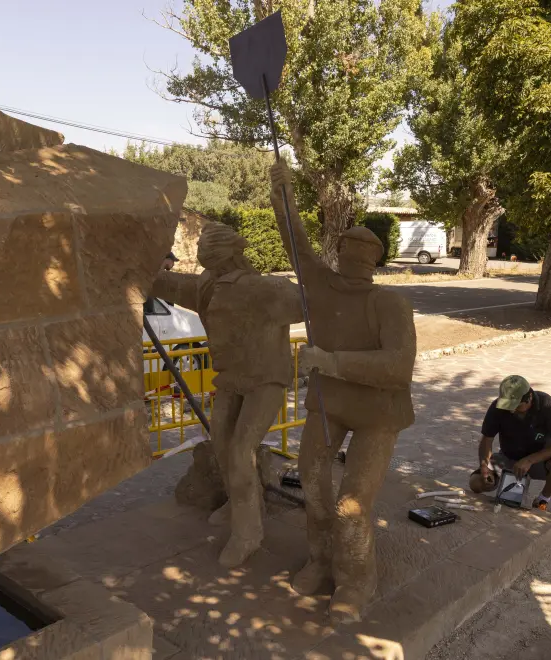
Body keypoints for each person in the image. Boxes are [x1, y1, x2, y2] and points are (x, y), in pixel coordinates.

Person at [269, 162, 417, 625]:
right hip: (329, 403)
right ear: (337, 253)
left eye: (362, 254)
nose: (354, 260)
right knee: (312, 482)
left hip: (378, 412)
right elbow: (295, 243)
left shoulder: (389, 303)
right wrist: (283, 195)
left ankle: (356, 579)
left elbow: (398, 367)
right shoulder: (321, 285)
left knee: (351, 505)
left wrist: (331, 362)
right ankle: (320, 558)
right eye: (347, 251)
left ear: (375, 261)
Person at [151, 223, 302, 567]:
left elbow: (312, 304)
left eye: (212, 254)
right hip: (230, 378)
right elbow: (173, 284)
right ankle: (242, 501)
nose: (206, 260)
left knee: (240, 450)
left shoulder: (267, 289)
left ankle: (248, 532)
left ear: (230, 253)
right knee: (221, 444)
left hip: (265, 380)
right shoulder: (208, 284)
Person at [469, 375, 551, 511]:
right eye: (508, 405)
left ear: (529, 397)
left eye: (516, 406)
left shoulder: (547, 404)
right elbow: (486, 440)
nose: (511, 410)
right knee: (475, 484)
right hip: (508, 458)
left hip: (539, 461)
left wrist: (529, 460)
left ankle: (543, 499)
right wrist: (484, 466)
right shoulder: (497, 407)